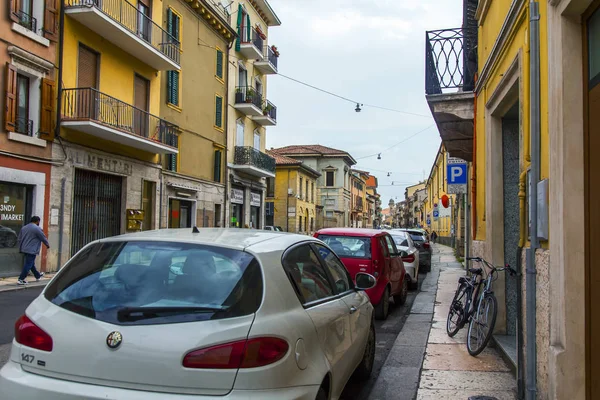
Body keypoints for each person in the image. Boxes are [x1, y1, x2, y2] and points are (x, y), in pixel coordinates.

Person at [17, 216, 49, 285]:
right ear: (37, 221)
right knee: (28, 264)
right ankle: (21, 279)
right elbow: (43, 237)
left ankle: (37, 276)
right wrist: (47, 244)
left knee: (31, 264)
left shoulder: (24, 227)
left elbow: (19, 238)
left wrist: (20, 247)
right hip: (32, 249)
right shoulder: (37, 229)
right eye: (38, 222)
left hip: (24, 248)